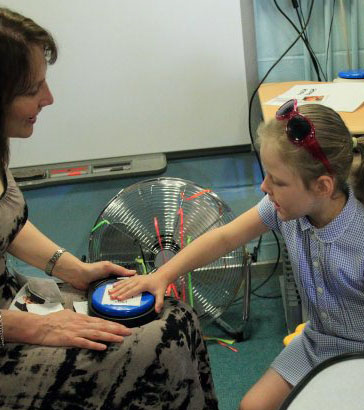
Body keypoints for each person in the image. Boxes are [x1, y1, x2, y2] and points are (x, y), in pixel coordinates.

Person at [0, 7, 218, 410]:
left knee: (176, 317)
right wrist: (39, 329)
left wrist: (75, 271)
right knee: (160, 348)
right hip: (7, 331)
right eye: (33, 90)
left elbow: (7, 225)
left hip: (13, 306)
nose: (49, 99)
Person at [112, 97, 364, 410]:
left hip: (361, 356)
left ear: (323, 187)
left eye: (277, 181)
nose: (263, 187)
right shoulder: (284, 208)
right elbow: (224, 237)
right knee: (252, 407)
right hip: (319, 342)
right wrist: (163, 274)